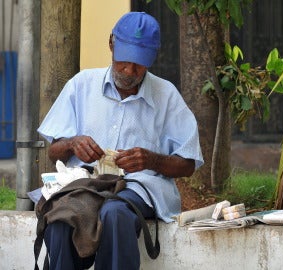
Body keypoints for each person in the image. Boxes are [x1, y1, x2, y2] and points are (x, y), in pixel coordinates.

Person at [37, 11, 203, 270]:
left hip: (137, 187)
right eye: (123, 61)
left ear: (152, 59)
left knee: (114, 214)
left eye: (138, 64)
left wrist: (152, 159)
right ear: (111, 44)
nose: (129, 70)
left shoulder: (166, 95)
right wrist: (72, 143)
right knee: (60, 222)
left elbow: (188, 165)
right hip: (85, 185)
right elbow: (54, 152)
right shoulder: (82, 85)